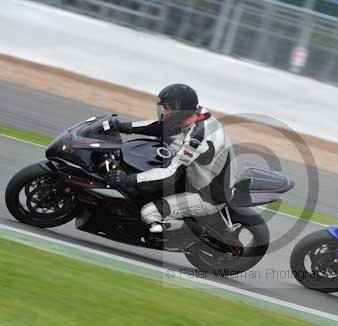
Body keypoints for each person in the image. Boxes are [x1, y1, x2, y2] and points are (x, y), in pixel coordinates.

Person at [101, 83, 238, 244]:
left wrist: (128, 179)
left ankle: (194, 233)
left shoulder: (196, 140)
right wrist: (124, 126)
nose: (164, 112)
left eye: (167, 109)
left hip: (208, 195)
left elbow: (171, 174)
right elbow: (162, 127)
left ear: (181, 111)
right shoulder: (196, 113)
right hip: (206, 175)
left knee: (149, 213)